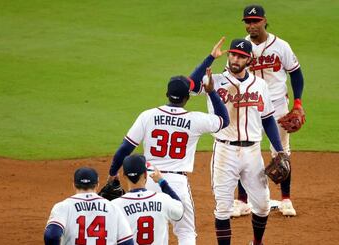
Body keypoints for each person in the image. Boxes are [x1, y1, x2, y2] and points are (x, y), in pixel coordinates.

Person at [107, 65, 230, 245]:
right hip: (177, 183)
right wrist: (211, 92)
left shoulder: (147, 116)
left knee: (136, 228)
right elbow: (223, 120)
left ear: (167, 94)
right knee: (186, 232)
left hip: (147, 179)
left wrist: (112, 173)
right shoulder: (195, 119)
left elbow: (125, 148)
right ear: (187, 98)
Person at [190, 38, 286, 245]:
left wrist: (279, 150)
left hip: (253, 153)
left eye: (241, 56)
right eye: (232, 54)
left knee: (262, 205)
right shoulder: (213, 80)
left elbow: (268, 118)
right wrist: (210, 57)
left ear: (248, 59)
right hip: (225, 152)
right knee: (223, 208)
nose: (235, 59)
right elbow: (190, 86)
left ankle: (256, 242)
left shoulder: (260, 85)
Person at [233, 4, 305, 217]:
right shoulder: (242, 47)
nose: (251, 25)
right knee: (245, 149)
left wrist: (298, 103)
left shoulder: (281, 46)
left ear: (264, 20)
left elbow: (296, 74)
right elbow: (234, 74)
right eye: (247, 21)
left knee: (281, 151)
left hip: (277, 105)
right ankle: (242, 201)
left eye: (255, 21)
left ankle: (286, 199)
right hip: (251, 104)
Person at [44, 167, 134, 245]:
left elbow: (52, 235)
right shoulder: (114, 208)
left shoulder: (62, 207)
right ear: (97, 185)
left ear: (74, 185)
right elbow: (127, 242)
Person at [112, 154, 184, 245]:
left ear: (124, 175)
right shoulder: (163, 199)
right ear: (145, 174)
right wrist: (162, 182)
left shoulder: (115, 206)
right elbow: (180, 211)